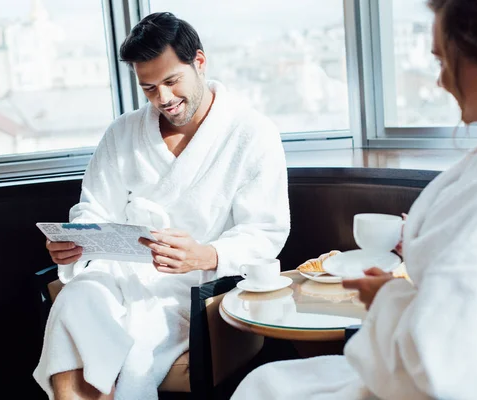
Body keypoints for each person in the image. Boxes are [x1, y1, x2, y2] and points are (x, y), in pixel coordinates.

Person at [232, 0, 477, 399]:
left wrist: (389, 300)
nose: (440, 82)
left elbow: (447, 376)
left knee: (264, 386)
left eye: (443, 60)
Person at [33, 12, 290, 400]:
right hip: (116, 277)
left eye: (172, 81)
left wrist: (206, 255)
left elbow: (265, 231)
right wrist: (76, 243)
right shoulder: (122, 132)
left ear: (199, 63)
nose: (163, 99)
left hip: (193, 290)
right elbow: (93, 210)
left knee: (129, 341)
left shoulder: (251, 134)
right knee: (74, 300)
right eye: (149, 88)